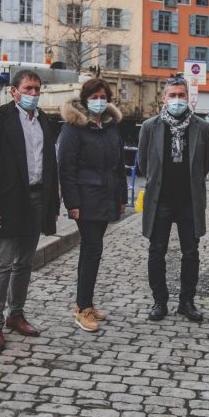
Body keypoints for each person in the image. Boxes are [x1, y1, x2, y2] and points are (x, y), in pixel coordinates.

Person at [0, 69, 60, 352]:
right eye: (28, 89)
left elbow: (50, 164)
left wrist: (52, 204)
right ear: (14, 91)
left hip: (37, 198)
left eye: (37, 90)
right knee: (2, 264)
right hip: (7, 201)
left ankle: (16, 313)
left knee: (25, 262)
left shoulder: (44, 121)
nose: (33, 94)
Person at [137, 76, 209, 323]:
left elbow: (205, 165)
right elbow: (143, 165)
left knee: (191, 253)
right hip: (160, 200)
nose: (177, 100)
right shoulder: (150, 126)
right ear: (164, 98)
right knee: (156, 251)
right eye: (172, 95)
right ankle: (160, 301)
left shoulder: (201, 127)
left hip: (189, 201)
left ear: (188, 97)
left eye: (181, 95)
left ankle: (186, 302)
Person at [58, 78, 127, 333]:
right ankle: (83, 308)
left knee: (91, 251)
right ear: (85, 98)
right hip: (86, 200)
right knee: (92, 251)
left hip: (106, 197)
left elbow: (119, 165)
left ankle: (84, 303)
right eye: (94, 97)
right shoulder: (74, 128)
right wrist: (72, 202)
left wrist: (122, 198)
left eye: (103, 97)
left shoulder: (110, 127)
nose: (99, 101)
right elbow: (66, 168)